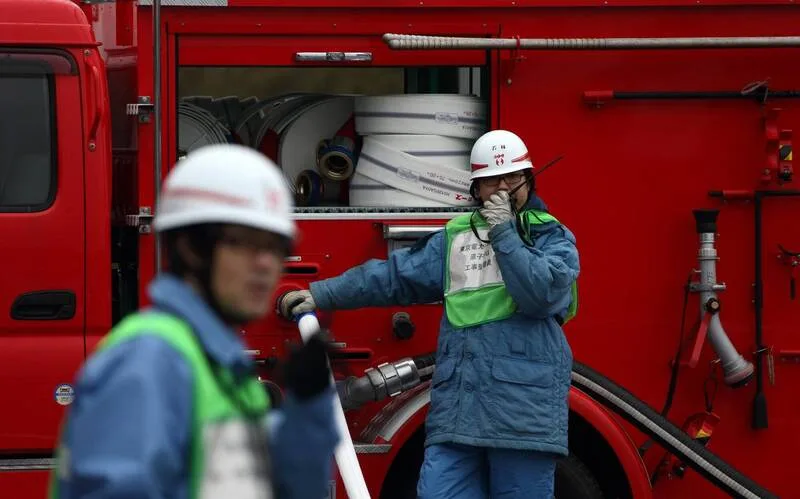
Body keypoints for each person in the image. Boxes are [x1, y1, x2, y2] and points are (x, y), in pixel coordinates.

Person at [281, 129, 580, 499]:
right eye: (491, 182)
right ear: (476, 190)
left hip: (522, 416)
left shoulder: (553, 238)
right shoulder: (456, 238)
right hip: (459, 411)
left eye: (512, 178)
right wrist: (321, 294)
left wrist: (504, 231)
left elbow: (541, 295)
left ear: (528, 180)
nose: (503, 189)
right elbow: (392, 276)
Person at [49, 144, 339, 499]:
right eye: (245, 243)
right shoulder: (149, 361)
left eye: (276, 246)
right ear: (190, 248)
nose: (267, 263)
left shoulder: (222, 369)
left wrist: (306, 418)